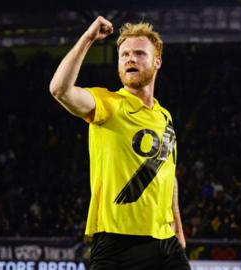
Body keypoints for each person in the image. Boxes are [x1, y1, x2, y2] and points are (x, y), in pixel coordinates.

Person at [49, 16, 190, 270]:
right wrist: (89, 38)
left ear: (157, 61)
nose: (130, 59)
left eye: (139, 53)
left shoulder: (164, 116)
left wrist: (178, 228)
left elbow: (167, 173)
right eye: (124, 54)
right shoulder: (109, 104)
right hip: (118, 243)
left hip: (165, 242)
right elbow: (60, 89)